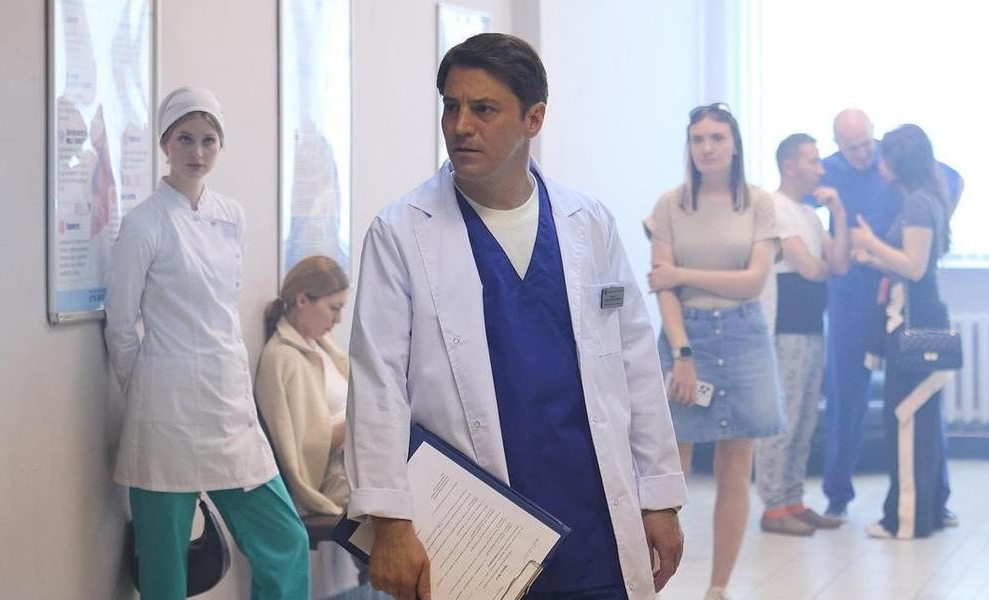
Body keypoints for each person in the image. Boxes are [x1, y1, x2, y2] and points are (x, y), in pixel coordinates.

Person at [345, 33, 687, 600]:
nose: (460, 126)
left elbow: (635, 365)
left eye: (483, 109)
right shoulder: (400, 231)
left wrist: (659, 496)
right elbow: (376, 383)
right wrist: (390, 522)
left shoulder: (588, 222)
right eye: (451, 107)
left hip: (595, 517)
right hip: (473, 527)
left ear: (534, 119)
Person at [105, 86, 309, 600]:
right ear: (164, 143)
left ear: (220, 145)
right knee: (164, 566)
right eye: (185, 139)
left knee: (285, 540)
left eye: (208, 140)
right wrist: (146, 390)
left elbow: (222, 311)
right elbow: (120, 326)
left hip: (226, 407)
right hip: (165, 412)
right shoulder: (143, 224)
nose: (197, 152)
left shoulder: (231, 216)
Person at [644, 103, 781, 600]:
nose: (707, 147)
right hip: (687, 337)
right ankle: (649, 582)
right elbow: (663, 290)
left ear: (735, 144)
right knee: (669, 471)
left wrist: (682, 274)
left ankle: (718, 588)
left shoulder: (759, 204)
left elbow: (752, 282)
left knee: (734, 472)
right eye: (698, 139)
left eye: (717, 138)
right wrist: (682, 354)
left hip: (744, 336)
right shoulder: (670, 205)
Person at [819, 109, 963, 521]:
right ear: (838, 146)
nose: (865, 153)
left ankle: (936, 497)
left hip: (899, 295)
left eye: (867, 143)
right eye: (853, 148)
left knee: (920, 400)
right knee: (846, 397)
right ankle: (837, 494)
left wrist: (932, 234)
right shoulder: (828, 170)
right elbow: (792, 200)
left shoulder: (898, 158)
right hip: (850, 298)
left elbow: (951, 181)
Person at [849, 124, 956, 539]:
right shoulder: (924, 198)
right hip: (917, 314)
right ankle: (921, 513)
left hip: (914, 322)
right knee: (916, 424)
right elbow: (913, 266)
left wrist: (870, 242)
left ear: (900, 161)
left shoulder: (916, 203)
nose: (879, 163)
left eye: (885, 156)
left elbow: (913, 266)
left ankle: (906, 521)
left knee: (907, 422)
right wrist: (873, 257)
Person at [754, 134, 850, 536]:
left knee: (806, 419)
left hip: (811, 327)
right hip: (785, 330)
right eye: (813, 161)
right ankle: (773, 506)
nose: (821, 169)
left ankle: (793, 499)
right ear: (790, 166)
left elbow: (838, 264)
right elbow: (810, 268)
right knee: (785, 420)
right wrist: (821, 267)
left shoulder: (810, 214)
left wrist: (838, 214)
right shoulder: (774, 207)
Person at [255, 256, 362, 599]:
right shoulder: (282, 358)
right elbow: (302, 451)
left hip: (355, 461)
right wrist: (359, 423)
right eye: (333, 308)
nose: (338, 319)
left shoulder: (320, 348)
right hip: (333, 477)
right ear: (302, 300)